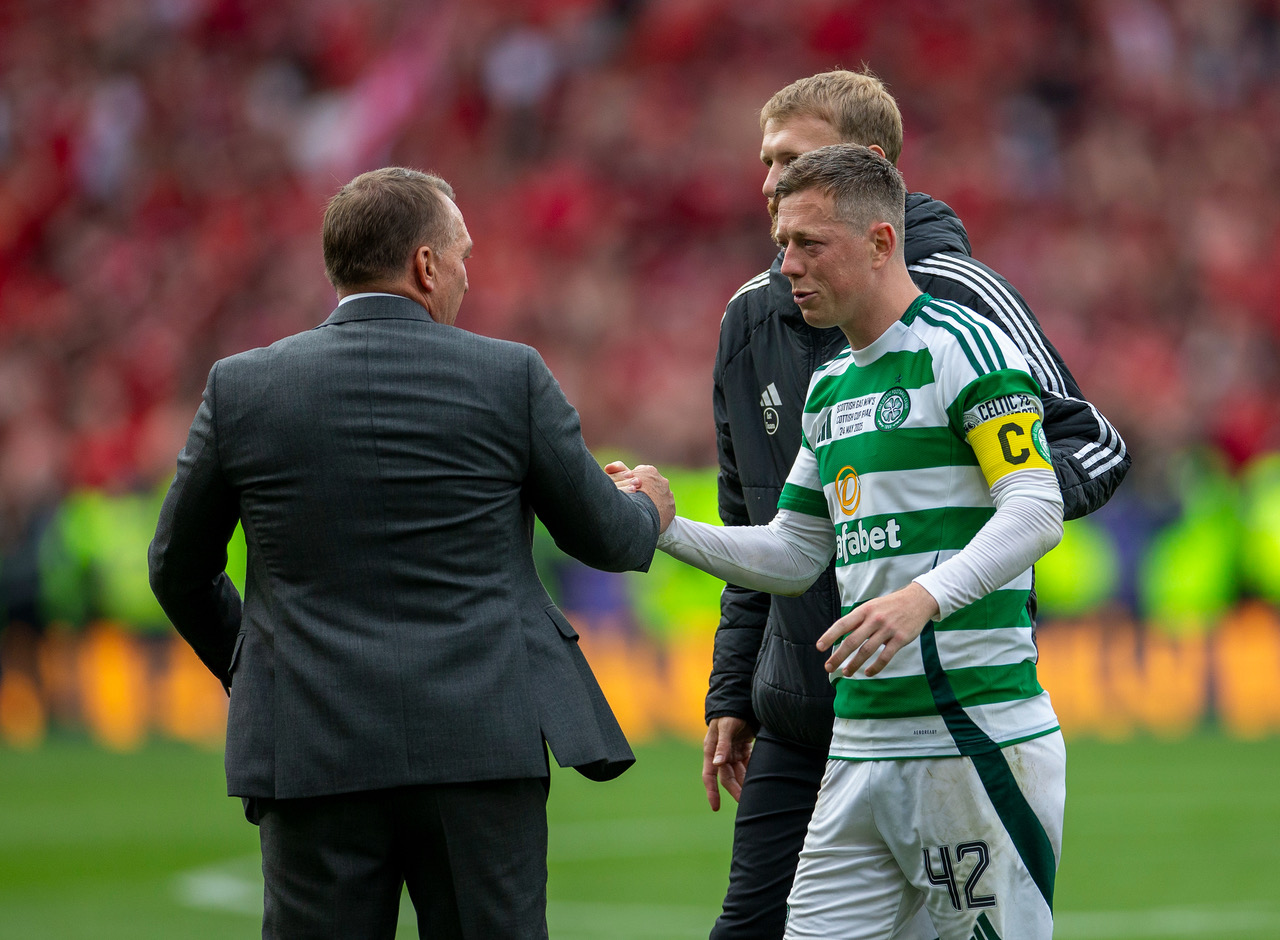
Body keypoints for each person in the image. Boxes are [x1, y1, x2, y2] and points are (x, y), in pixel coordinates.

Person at [148, 167, 675, 940]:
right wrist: (650, 505)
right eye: (462, 254)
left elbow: (177, 567)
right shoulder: (509, 377)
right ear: (426, 265)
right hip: (482, 749)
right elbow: (609, 539)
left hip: (312, 749)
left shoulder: (243, 389)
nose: (468, 273)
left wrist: (263, 661)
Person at [703, 70, 1128, 939]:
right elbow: (773, 530)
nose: (769, 183)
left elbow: (1081, 455)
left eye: (792, 160)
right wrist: (732, 687)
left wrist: (952, 540)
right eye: (765, 164)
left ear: (864, 172)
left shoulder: (965, 317)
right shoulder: (761, 328)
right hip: (810, 705)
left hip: (956, 696)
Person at [637, 142, 1067, 939]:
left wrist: (920, 599)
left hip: (970, 737)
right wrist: (665, 530)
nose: (787, 266)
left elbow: (1037, 507)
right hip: (860, 744)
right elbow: (795, 555)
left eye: (809, 244)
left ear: (880, 242)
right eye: (781, 246)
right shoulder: (832, 385)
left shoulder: (963, 348)